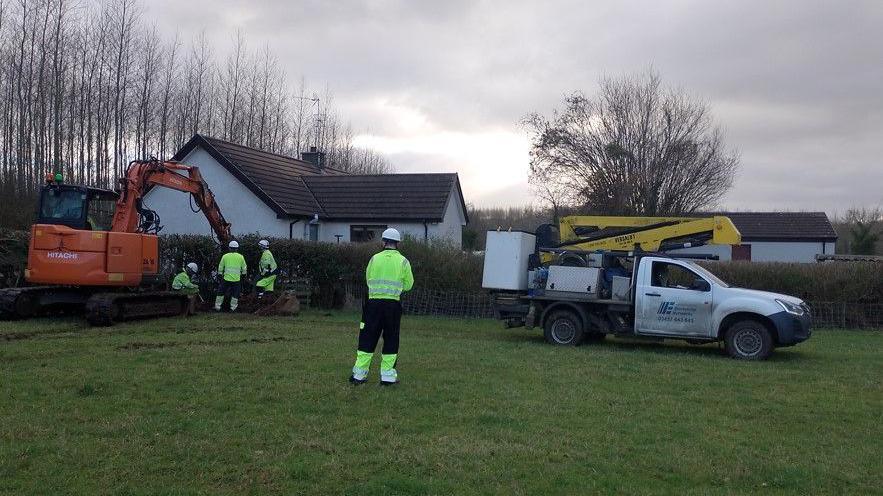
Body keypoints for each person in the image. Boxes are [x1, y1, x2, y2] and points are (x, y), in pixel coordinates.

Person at [349, 228, 414, 386]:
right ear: (397, 243)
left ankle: (359, 375)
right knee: (391, 339)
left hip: (373, 305)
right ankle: (387, 377)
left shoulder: (374, 259)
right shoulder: (403, 261)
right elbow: (409, 285)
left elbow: (368, 279)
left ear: (383, 242)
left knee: (367, 339)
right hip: (392, 305)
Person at [214, 240, 247, 312]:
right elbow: (244, 268)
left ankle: (217, 307)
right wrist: (243, 276)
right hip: (236, 279)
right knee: (235, 294)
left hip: (226, 278)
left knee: (221, 292)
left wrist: (220, 275)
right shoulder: (241, 257)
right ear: (237, 248)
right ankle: (233, 308)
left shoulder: (225, 256)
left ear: (229, 248)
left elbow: (220, 267)